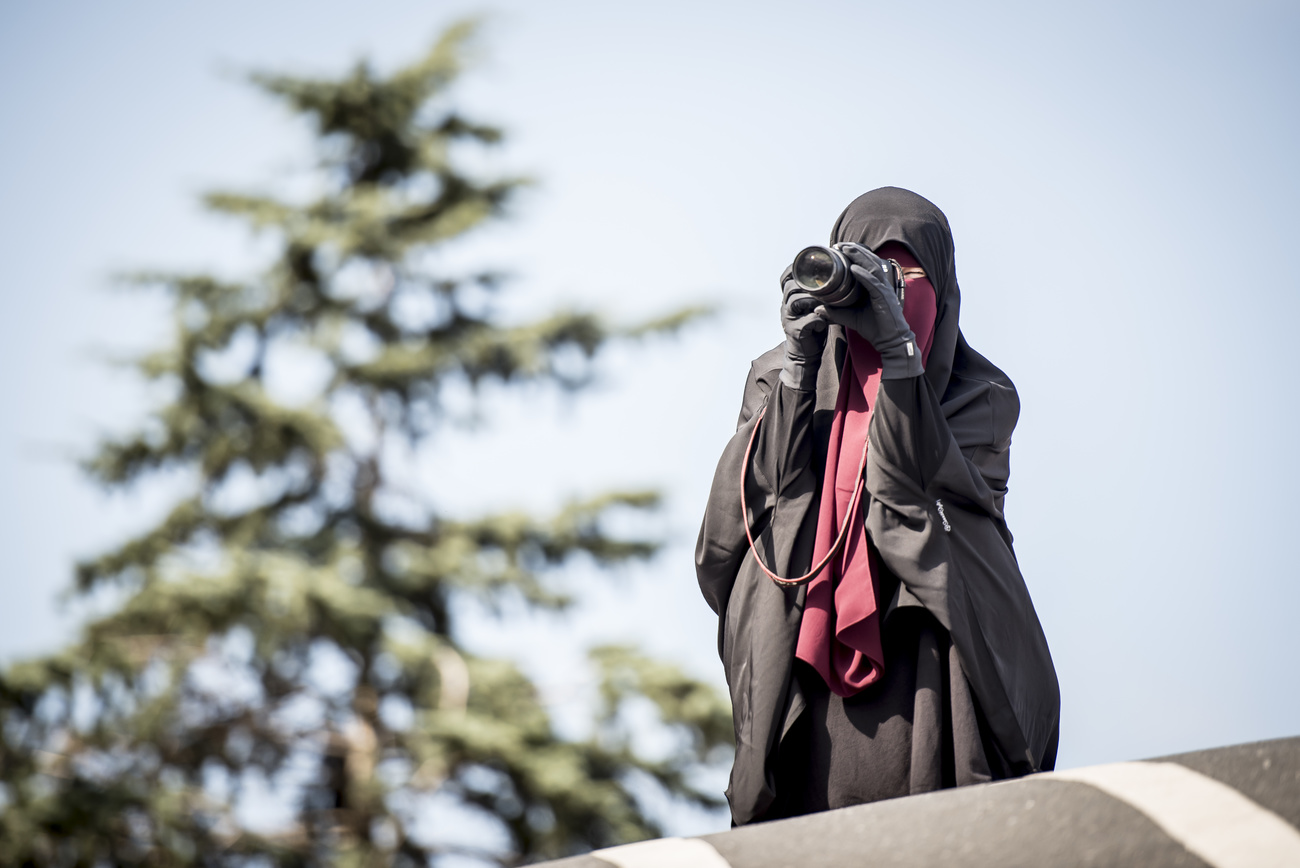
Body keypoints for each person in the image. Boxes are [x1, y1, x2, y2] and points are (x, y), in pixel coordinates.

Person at [696, 187, 1059, 825]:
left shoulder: (983, 393)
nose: (890, 290)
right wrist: (800, 370)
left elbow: (910, 495)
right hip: (799, 661)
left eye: (907, 275)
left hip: (925, 659)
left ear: (942, 287)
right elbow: (744, 516)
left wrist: (900, 361)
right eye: (872, 268)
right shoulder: (776, 371)